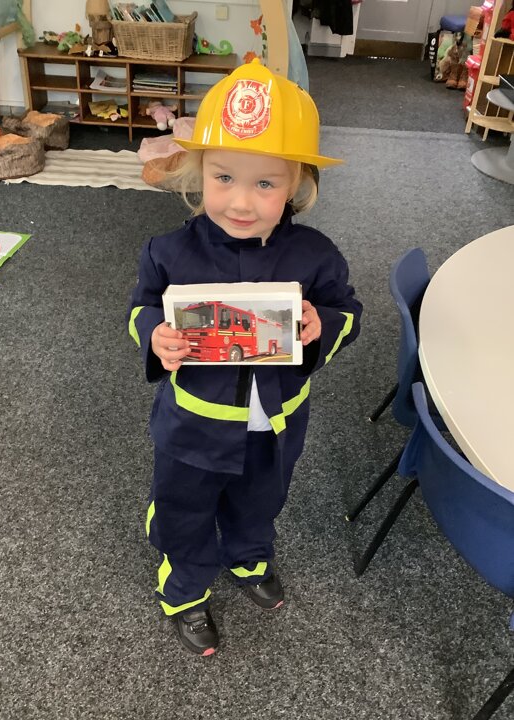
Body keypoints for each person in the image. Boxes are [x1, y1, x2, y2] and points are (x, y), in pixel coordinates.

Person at [127, 59, 363, 657]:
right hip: (193, 425)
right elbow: (141, 309)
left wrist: (321, 324)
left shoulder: (315, 255)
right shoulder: (167, 252)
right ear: (199, 171)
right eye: (224, 177)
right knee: (184, 507)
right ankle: (183, 590)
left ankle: (249, 557)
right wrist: (155, 334)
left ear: (297, 185)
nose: (240, 202)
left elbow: (348, 311)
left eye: (265, 184)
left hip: (276, 422)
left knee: (261, 498)